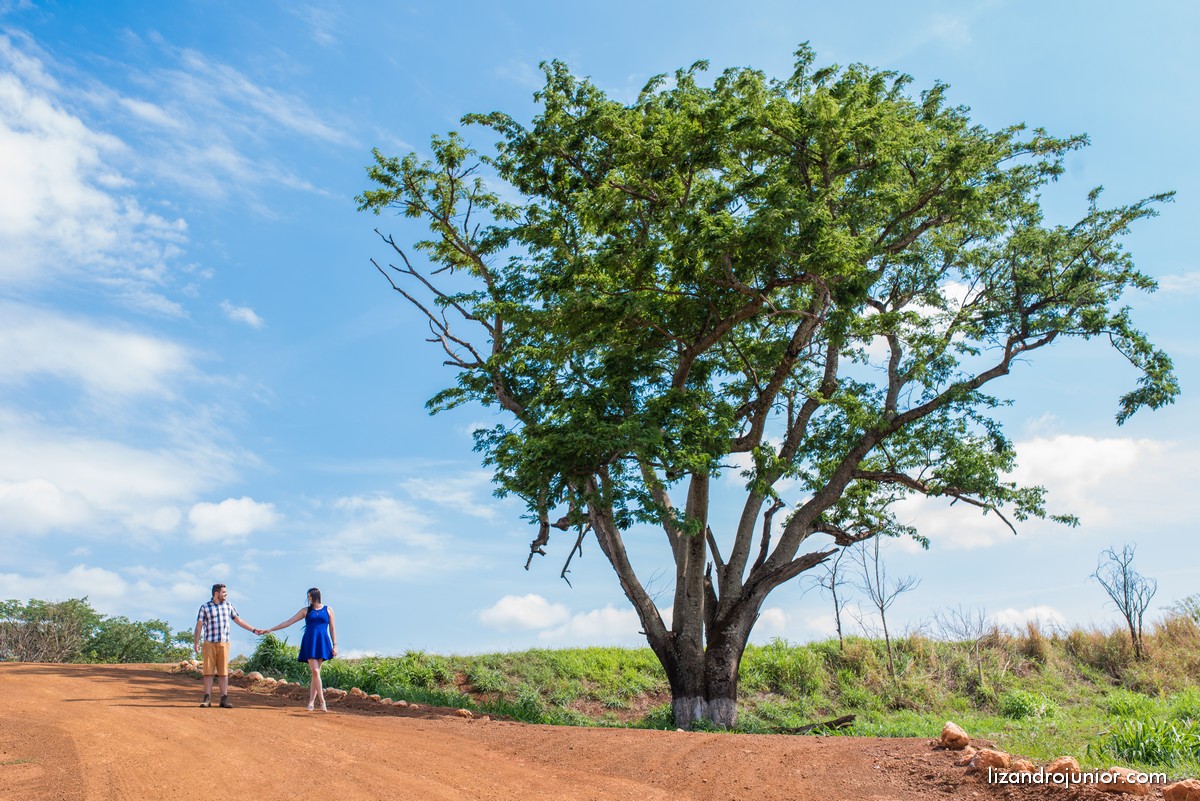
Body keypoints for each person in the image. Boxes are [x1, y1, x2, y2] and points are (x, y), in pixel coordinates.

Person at [194, 583, 265, 709]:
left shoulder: (229, 606)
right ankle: (207, 697)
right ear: (216, 593)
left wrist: (253, 630)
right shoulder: (205, 607)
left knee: (223, 672)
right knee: (208, 672)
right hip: (209, 642)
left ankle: (224, 698)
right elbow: (199, 625)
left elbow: (238, 620)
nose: (226, 595)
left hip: (224, 643)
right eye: (224, 592)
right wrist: (196, 642)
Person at [266, 587, 338, 711]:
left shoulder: (328, 609)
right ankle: (322, 701)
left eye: (309, 596)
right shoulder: (305, 611)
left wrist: (335, 645)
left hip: (322, 642)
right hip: (310, 642)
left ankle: (311, 703)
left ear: (315, 596)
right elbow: (289, 622)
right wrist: (271, 629)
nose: (308, 598)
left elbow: (332, 629)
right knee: (315, 671)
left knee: (316, 674)